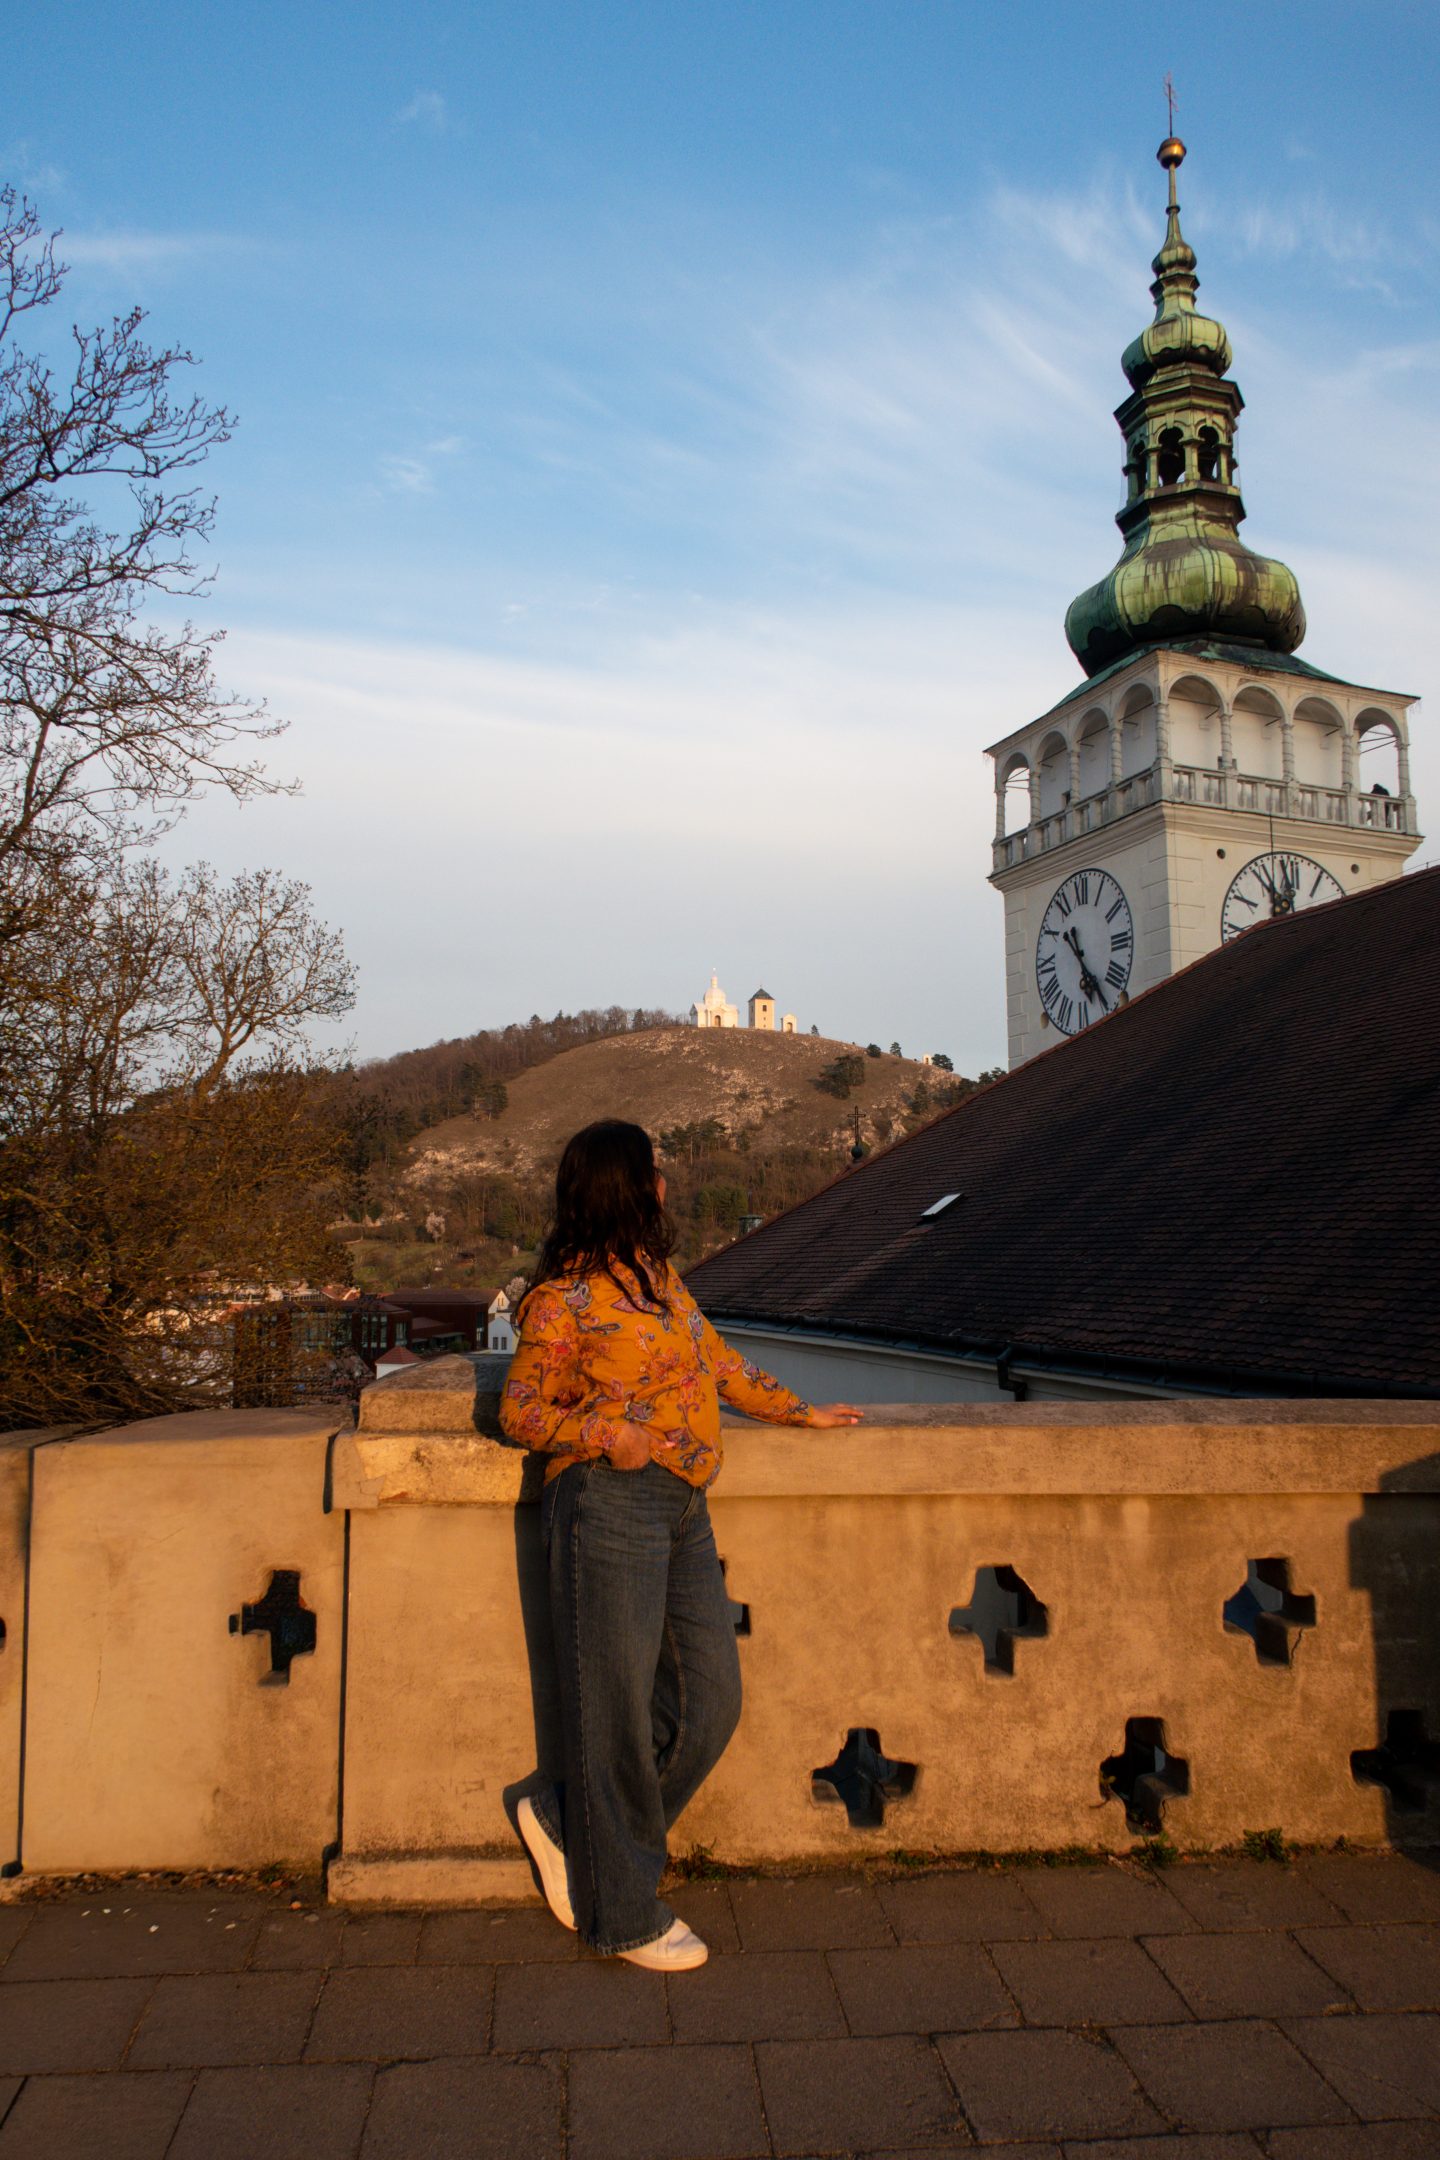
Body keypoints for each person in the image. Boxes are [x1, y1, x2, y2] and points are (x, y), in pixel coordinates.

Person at [500, 1118, 862, 1970]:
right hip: (608, 1502)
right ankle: (621, 1914)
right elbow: (519, 1412)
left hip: (686, 1505)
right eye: (654, 1172)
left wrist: (800, 1410)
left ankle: (567, 1826)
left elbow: (719, 1364)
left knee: (710, 1703)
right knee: (616, 1716)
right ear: (627, 1187)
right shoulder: (560, 1301)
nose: (666, 1184)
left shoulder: (660, 1283)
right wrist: (600, 1432)